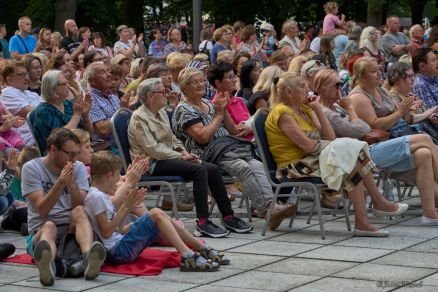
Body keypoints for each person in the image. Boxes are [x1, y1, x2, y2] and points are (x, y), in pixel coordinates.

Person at [266, 71, 407, 236]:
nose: (308, 89)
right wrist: (336, 147)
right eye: (303, 86)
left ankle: (370, 213)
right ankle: (372, 210)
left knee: (353, 156)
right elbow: (308, 146)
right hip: (293, 168)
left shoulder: (306, 108)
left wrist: (318, 110)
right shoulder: (282, 113)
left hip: (312, 160)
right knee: (351, 157)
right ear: (289, 92)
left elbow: (330, 136)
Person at [173, 67, 296, 231]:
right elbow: (202, 137)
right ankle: (267, 212)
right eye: (195, 82)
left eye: (202, 81)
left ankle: (271, 205)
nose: (200, 84)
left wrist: (223, 111)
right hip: (207, 153)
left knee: (257, 165)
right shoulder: (184, 109)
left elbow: (232, 131)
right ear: (184, 86)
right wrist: (218, 116)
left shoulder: (209, 104)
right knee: (244, 168)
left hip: (228, 148)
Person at [85, 150, 227, 270]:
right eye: (117, 176)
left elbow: (119, 230)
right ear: (109, 175)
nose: (118, 180)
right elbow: (107, 231)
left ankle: (198, 249)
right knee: (156, 213)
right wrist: (125, 207)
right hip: (117, 252)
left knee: (157, 216)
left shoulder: (98, 195)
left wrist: (128, 208)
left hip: (119, 247)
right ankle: (189, 254)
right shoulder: (96, 197)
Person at [128, 78, 234, 236]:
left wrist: (183, 152)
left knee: (211, 169)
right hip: (150, 164)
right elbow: (153, 149)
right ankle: (202, 222)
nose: (166, 94)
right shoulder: (139, 117)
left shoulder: (161, 112)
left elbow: (173, 138)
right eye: (162, 92)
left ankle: (228, 216)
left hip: (168, 158)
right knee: (199, 170)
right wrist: (180, 156)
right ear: (150, 96)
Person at [349, 57, 438, 225]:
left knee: (424, 153)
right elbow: (374, 125)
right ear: (361, 76)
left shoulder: (381, 90)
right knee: (425, 138)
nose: (379, 73)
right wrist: (401, 111)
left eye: (379, 69)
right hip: (371, 150)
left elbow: (401, 117)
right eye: (373, 71)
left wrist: (407, 110)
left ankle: (430, 214)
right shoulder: (358, 96)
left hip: (393, 141)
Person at [22, 128, 106, 286]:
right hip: (41, 229)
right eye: (70, 154)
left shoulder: (78, 167)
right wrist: (60, 183)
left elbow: (79, 205)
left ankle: (89, 258)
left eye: (76, 153)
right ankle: (48, 266)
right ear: (53, 149)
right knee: (49, 226)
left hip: (71, 227)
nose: (74, 159)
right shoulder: (31, 168)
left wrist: (72, 183)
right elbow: (42, 210)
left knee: (80, 211)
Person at [32, 70, 93, 154]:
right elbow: (60, 139)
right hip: (58, 155)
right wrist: (77, 115)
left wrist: (85, 115)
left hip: (80, 149)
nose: (69, 86)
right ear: (53, 88)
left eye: (67, 82)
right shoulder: (44, 111)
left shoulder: (68, 104)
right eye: (64, 84)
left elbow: (89, 133)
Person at [0, 60, 41, 145]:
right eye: (21, 75)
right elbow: (30, 112)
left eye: (26, 74)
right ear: (9, 79)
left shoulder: (31, 93)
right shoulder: (7, 92)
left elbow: (48, 108)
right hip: (28, 140)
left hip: (41, 133)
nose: (26, 78)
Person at [86, 62, 121, 149]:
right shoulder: (90, 99)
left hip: (123, 142)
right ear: (91, 80)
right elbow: (103, 131)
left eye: (107, 71)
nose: (109, 75)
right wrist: (123, 109)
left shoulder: (112, 95)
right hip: (108, 148)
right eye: (102, 72)